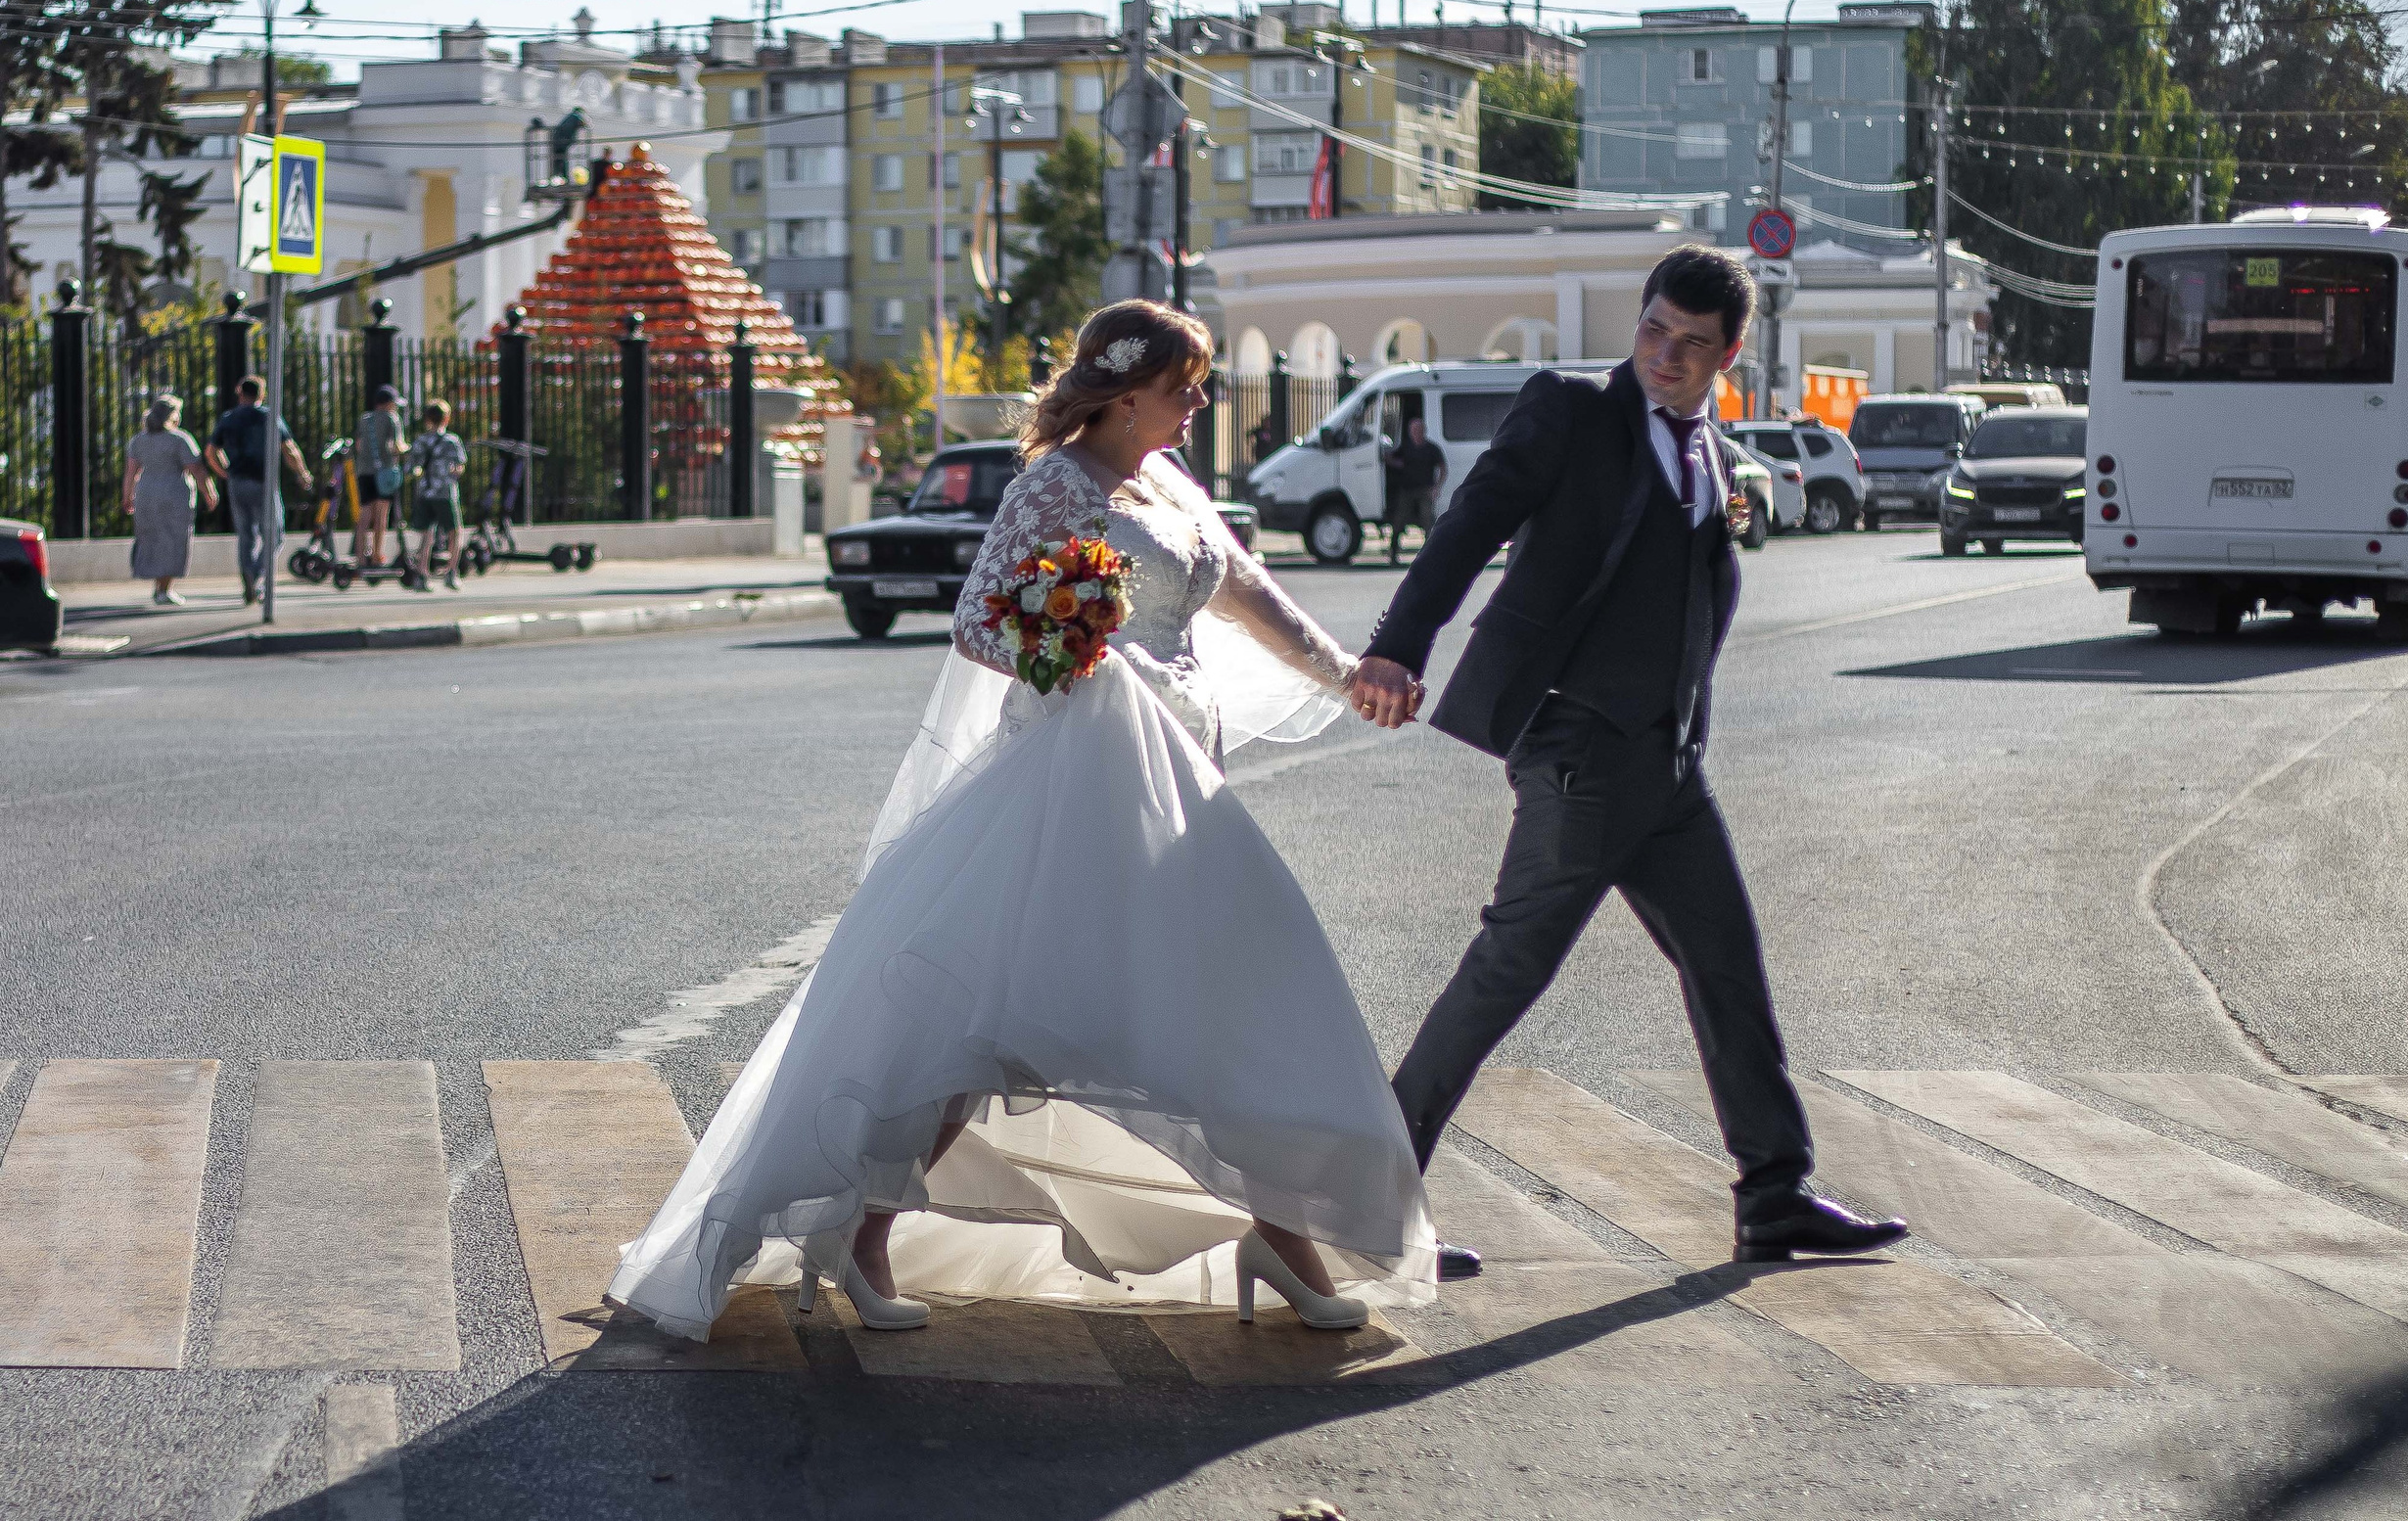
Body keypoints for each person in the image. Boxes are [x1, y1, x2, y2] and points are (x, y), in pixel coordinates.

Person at [610, 300, 1434, 1342]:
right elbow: (978, 621)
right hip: (1075, 791)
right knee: (980, 1028)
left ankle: (1283, 1240)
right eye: (1182, 385)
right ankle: (860, 1233)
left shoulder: (1169, 484)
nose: (1198, 401)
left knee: (1229, 1004)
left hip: (1181, 788)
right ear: (1124, 394)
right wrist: (1085, 661)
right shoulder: (1054, 485)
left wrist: (1346, 671)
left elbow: (1245, 591)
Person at [1348, 247, 1908, 1278]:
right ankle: (1370, 1200)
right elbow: (1470, 524)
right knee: (1506, 973)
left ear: (1727, 356)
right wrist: (1398, 645)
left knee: (1727, 966)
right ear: (1638, 320)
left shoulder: (1711, 449)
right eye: (1654, 329)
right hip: (1579, 750)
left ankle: (1774, 1196)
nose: (1665, 354)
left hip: (1666, 759)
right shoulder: (1568, 410)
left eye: (1693, 343)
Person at [204, 375, 309, 605]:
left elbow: (211, 451)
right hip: (264, 481)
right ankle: (257, 573)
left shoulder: (228, 418)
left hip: (237, 481)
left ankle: (248, 575)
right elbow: (289, 449)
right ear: (261, 394)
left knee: (246, 534)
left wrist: (224, 472)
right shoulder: (269, 416)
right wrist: (302, 473)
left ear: (240, 392)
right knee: (275, 533)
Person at [122, 392, 216, 605]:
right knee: (173, 539)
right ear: (172, 415)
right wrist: (209, 492)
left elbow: (131, 472)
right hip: (174, 495)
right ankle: (164, 589)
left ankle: (159, 587)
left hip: (146, 494)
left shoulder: (139, 440)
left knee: (152, 538)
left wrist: (127, 496)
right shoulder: (180, 439)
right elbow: (196, 469)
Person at [403, 400, 466, 591]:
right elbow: (459, 467)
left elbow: (410, 467)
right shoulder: (452, 441)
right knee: (455, 532)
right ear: (446, 418)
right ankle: (451, 572)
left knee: (427, 534)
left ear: (427, 419)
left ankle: (421, 574)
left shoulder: (421, 441)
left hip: (425, 492)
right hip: (445, 492)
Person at [353, 385, 407, 569]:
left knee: (365, 514)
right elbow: (397, 446)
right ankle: (377, 555)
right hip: (384, 473)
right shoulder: (392, 419)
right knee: (381, 515)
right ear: (389, 403)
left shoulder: (364, 419)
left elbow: (359, 445)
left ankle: (360, 557)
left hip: (364, 471)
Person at [1380, 415, 1445, 567]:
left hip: (1425, 490)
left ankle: (1429, 555)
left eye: (1418, 429)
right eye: (1413, 430)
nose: (1415, 432)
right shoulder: (1405, 447)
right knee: (1399, 521)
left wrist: (1437, 487)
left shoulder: (1431, 449)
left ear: (1424, 431)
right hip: (1407, 490)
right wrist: (1391, 460)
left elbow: (1443, 468)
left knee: (1428, 521)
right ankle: (1393, 554)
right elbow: (1393, 460)